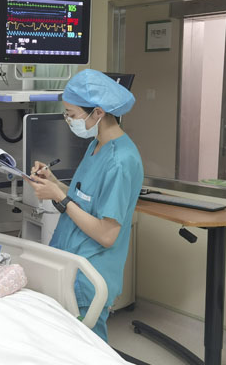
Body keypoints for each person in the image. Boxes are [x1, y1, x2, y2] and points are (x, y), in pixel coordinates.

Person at [28, 69, 143, 341]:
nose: (68, 120)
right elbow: (83, 200)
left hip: (88, 275)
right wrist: (54, 183)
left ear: (98, 113)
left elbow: (107, 234)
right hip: (69, 261)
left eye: (72, 114)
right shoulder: (97, 146)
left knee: (88, 353)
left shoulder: (120, 162)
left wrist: (59, 197)